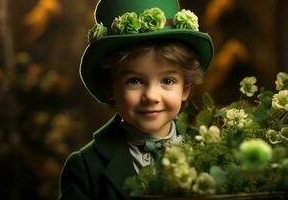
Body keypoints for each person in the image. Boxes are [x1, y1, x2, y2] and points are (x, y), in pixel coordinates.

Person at [58, 0, 213, 199]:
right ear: (110, 87)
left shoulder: (210, 151)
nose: (151, 96)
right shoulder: (86, 168)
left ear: (186, 88)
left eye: (167, 80)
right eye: (135, 81)